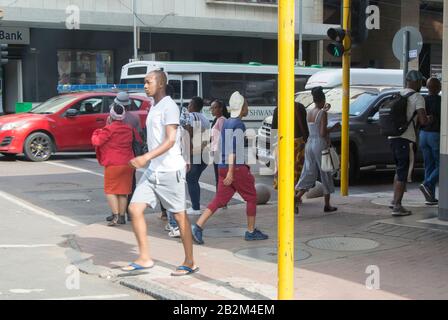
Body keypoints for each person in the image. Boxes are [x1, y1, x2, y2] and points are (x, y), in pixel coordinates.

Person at [124, 70, 198, 276]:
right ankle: (145, 258)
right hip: (153, 171)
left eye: (148, 82)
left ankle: (190, 261)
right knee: (135, 209)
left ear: (161, 84)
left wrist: (145, 157)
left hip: (170, 171)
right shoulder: (153, 106)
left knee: (180, 216)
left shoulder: (170, 107)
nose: (145, 86)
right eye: (144, 82)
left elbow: (170, 140)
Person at [191, 91, 269, 245]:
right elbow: (233, 149)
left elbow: (224, 146)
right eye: (246, 104)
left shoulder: (226, 122)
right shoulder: (238, 124)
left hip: (222, 166)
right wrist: (231, 172)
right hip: (235, 168)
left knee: (219, 200)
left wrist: (226, 169)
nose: (247, 107)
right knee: (251, 197)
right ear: (241, 107)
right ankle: (251, 231)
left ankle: (198, 226)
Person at [388, 70, 431, 216]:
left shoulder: (399, 94)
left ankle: (394, 201)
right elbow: (423, 120)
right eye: (420, 81)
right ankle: (398, 206)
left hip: (393, 137)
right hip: (406, 138)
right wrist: (430, 119)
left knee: (399, 169)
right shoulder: (417, 97)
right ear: (415, 82)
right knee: (403, 172)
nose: (421, 84)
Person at [91, 104, 140, 226]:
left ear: (111, 115)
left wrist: (97, 132)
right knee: (123, 192)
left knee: (110, 191)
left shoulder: (109, 129)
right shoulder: (129, 128)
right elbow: (138, 139)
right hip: (128, 163)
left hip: (113, 163)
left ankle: (116, 215)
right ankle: (122, 216)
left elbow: (96, 141)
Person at [295, 86, 340, 213]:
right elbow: (322, 132)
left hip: (310, 143)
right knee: (325, 173)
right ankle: (327, 205)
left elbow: (315, 125)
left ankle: (297, 197)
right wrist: (334, 127)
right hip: (320, 145)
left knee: (309, 172)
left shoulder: (310, 112)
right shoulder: (323, 113)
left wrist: (324, 111)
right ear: (323, 99)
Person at [105, 92, 143, 223]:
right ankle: (128, 213)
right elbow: (138, 138)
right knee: (129, 185)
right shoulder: (135, 118)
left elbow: (107, 136)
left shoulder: (111, 118)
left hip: (115, 157)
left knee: (114, 186)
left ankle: (115, 213)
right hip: (130, 156)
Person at [271, 101, 309, 214]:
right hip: (298, 144)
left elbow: (274, 131)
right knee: (296, 174)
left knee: (284, 173)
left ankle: (287, 199)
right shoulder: (300, 106)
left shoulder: (278, 109)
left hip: (283, 144)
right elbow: (305, 129)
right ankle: (294, 198)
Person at [183, 97, 210, 216]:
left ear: (193, 106)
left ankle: (195, 207)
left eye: (189, 104)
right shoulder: (205, 118)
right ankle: (195, 206)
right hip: (204, 153)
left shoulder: (191, 116)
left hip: (195, 153)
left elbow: (189, 134)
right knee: (194, 180)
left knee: (191, 180)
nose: (188, 106)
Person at [419, 77, 441, 205]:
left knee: (429, 165)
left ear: (427, 88)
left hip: (423, 135)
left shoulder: (423, 100)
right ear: (438, 88)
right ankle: (427, 184)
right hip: (435, 135)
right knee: (441, 165)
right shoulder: (441, 101)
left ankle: (430, 197)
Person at [210, 99, 230, 190]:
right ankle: (220, 200)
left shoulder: (221, 120)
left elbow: (223, 137)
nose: (212, 110)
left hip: (219, 152)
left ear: (221, 108)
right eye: (211, 108)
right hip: (217, 152)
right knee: (219, 178)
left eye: (214, 108)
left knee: (219, 178)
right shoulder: (217, 119)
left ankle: (220, 200)